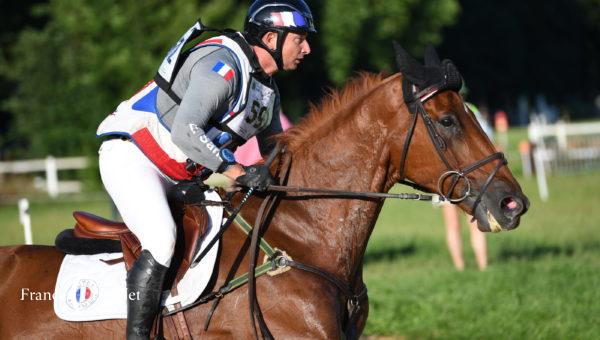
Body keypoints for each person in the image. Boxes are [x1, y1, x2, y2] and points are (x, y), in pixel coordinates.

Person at [95, 1, 315, 338]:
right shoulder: (222, 64)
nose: (307, 48)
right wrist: (237, 171)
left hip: (179, 174)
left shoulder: (267, 89)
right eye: (299, 38)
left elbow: (275, 151)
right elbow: (187, 131)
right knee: (162, 239)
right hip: (133, 157)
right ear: (272, 37)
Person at [442, 102, 493, 271]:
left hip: (448, 174)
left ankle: (460, 266)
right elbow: (486, 139)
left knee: (453, 224)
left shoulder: (440, 109)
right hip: (469, 174)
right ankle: (482, 265)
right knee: (475, 222)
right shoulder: (471, 109)